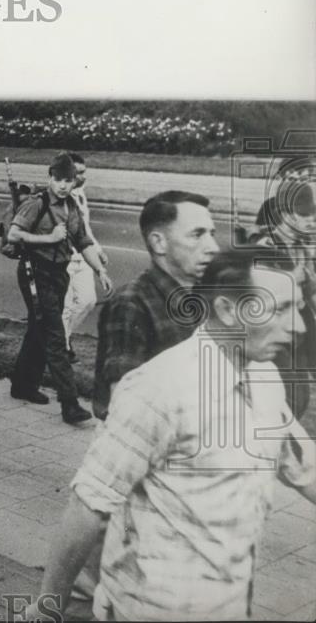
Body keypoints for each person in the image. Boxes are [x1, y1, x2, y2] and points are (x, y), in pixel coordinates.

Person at [29, 248, 316, 622]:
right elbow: (89, 507)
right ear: (229, 311)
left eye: (297, 307)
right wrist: (48, 607)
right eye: (278, 309)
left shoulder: (263, 377)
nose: (298, 326)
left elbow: (302, 464)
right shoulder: (159, 389)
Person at [7, 153, 112, 424]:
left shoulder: (73, 206)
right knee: (54, 336)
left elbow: (83, 241)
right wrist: (48, 238)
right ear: (49, 178)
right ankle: (70, 404)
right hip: (35, 273)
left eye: (68, 180)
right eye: (58, 180)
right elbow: (14, 234)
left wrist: (100, 270)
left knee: (38, 328)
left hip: (57, 274)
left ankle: (22, 385)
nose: (63, 186)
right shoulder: (36, 203)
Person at [94, 190, 219, 419]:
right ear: (159, 242)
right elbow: (125, 407)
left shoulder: (201, 296)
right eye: (197, 234)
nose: (213, 247)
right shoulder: (132, 303)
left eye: (212, 233)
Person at [251, 181, 316, 417]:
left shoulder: (302, 248)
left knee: (301, 397)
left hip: (299, 333)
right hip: (274, 335)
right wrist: (292, 278)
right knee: (285, 401)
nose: (312, 220)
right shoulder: (264, 248)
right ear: (286, 216)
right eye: (304, 214)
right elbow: (259, 297)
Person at [61, 154, 109, 361]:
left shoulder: (80, 194)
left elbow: (85, 228)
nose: (83, 177)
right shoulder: (58, 197)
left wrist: (97, 250)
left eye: (84, 172)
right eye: (78, 173)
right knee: (66, 306)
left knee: (88, 301)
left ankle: (63, 336)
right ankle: (63, 346)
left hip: (84, 256)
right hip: (64, 258)